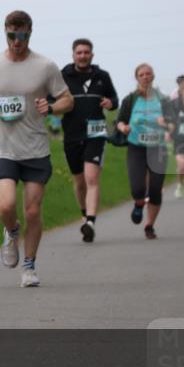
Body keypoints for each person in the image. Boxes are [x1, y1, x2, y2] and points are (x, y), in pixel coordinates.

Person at [0, 11, 73, 287]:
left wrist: (50, 107)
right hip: (2, 149)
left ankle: (29, 266)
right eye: (12, 35)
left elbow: (67, 100)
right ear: (5, 32)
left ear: (30, 33)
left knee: (33, 212)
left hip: (36, 149)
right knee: (6, 206)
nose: (17, 41)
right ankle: (12, 231)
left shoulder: (45, 66)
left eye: (22, 35)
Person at [59, 38, 118, 242]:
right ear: (73, 55)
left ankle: (91, 222)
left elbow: (114, 100)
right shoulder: (63, 76)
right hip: (72, 135)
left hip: (96, 133)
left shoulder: (102, 76)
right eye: (79, 52)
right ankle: (85, 216)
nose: (83, 56)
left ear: (92, 55)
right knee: (79, 181)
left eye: (86, 52)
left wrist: (111, 103)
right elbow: (50, 99)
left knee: (92, 177)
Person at [115, 63, 173, 240]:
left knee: (155, 189)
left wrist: (167, 124)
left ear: (153, 77)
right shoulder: (130, 100)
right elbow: (119, 121)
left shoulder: (163, 100)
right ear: (137, 78)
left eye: (148, 74)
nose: (145, 77)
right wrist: (123, 127)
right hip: (136, 147)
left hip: (158, 148)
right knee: (137, 188)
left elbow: (173, 124)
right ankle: (139, 203)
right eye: (142, 74)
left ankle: (149, 226)